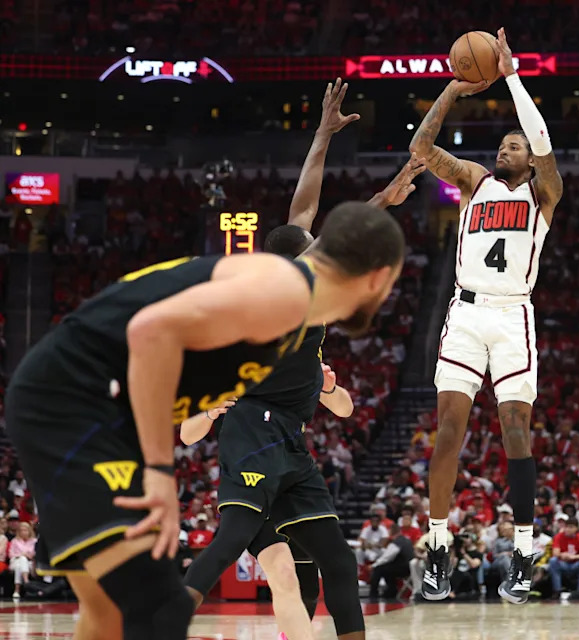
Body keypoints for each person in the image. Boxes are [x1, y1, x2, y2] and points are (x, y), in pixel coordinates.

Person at [5, 182, 405, 637]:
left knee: (108, 611)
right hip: (74, 400)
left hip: (71, 398)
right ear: (379, 278)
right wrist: (158, 469)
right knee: (151, 604)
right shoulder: (282, 293)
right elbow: (151, 332)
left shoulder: (297, 313)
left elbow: (318, 226)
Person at [179, 79, 423, 640]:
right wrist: (387, 194)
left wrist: (321, 135)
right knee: (240, 541)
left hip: (288, 434)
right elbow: (338, 228)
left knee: (327, 563)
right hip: (256, 426)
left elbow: (305, 205)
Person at [409, 27, 564, 605]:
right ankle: (438, 547)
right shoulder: (474, 182)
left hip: (511, 316)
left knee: (515, 430)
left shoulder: (543, 193)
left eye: (514, 146)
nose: (505, 149)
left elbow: (544, 144)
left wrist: (512, 76)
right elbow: (421, 152)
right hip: (465, 313)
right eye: (502, 143)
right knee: (448, 429)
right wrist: (450, 92)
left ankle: (524, 550)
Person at [9, 521, 37, 600]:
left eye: (25, 530)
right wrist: (22, 555)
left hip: (30, 563)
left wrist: (28, 556)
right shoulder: (15, 541)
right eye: (21, 530)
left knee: (20, 566)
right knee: (22, 560)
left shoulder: (34, 541)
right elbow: (11, 554)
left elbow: (35, 554)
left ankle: (17, 590)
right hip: (15, 561)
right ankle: (26, 582)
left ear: (29, 531)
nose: (23, 532)